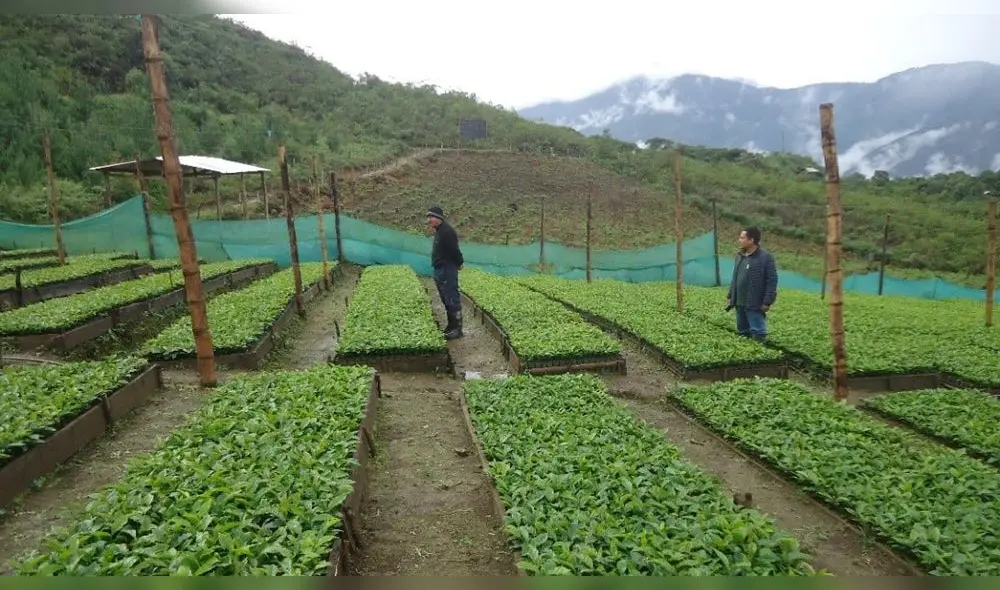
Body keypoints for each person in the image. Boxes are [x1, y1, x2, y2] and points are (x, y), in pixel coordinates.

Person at [725, 227, 778, 342]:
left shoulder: (765, 258)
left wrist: (767, 301)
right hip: (739, 301)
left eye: (742, 238)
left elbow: (771, 281)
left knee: (758, 331)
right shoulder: (740, 255)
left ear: (751, 240)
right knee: (742, 330)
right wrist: (730, 296)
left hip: (755, 302)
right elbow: (735, 278)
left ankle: (759, 352)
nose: (739, 240)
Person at [427, 205, 465, 340]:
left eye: (431, 217)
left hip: (447, 269)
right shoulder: (439, 231)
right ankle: (451, 325)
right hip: (440, 269)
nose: (429, 220)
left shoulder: (447, 232)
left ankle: (457, 329)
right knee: (445, 299)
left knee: (451, 298)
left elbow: (455, 250)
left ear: (439, 218)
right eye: (429, 217)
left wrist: (459, 263)